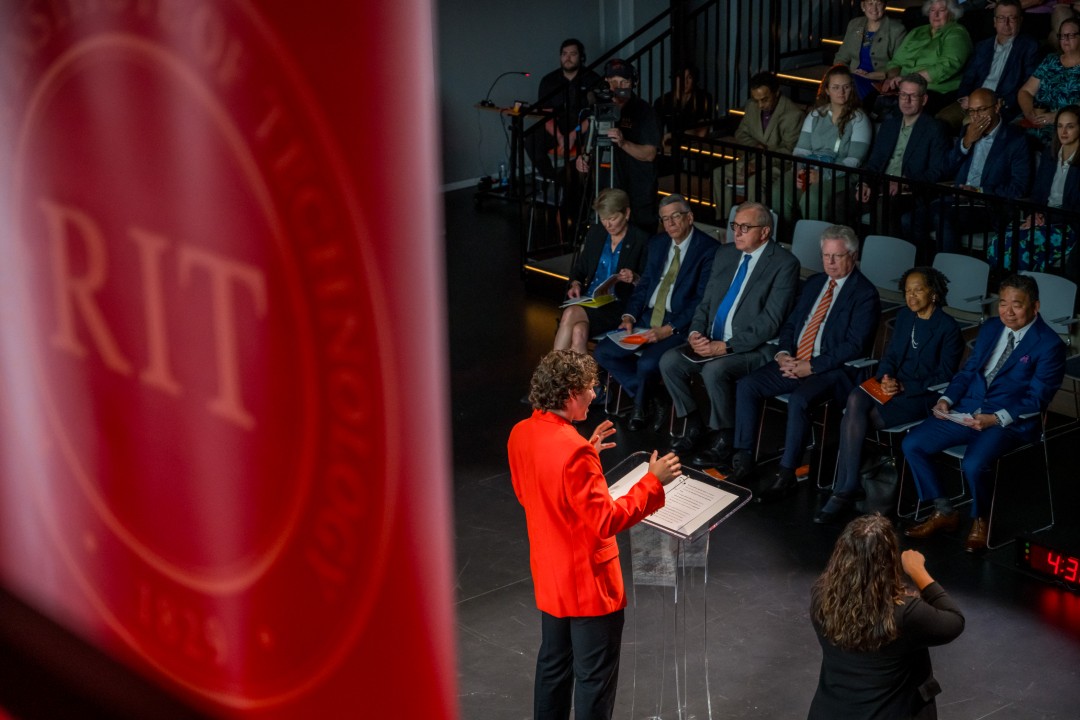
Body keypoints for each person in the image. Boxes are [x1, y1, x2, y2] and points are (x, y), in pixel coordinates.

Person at [508, 350, 681, 720]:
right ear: (570, 394)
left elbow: (533, 494)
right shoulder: (573, 452)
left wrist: (585, 453)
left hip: (551, 576)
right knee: (593, 681)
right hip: (589, 585)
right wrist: (652, 482)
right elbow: (605, 521)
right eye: (589, 389)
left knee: (553, 667)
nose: (594, 395)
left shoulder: (521, 433)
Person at [902, 274, 1066, 552]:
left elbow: (1037, 399)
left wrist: (996, 418)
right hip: (967, 409)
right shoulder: (991, 328)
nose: (1008, 312)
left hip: (1007, 422)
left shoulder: (1049, 344)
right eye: (1003, 303)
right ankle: (944, 511)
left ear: (1035, 307)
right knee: (913, 443)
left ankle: (980, 519)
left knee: (973, 463)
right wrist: (947, 399)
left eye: (1017, 305)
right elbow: (968, 371)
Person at [726, 225, 880, 502]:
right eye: (825, 256)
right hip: (795, 359)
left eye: (837, 256)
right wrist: (783, 353)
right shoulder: (814, 284)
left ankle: (787, 474)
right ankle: (745, 457)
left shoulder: (865, 293)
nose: (830, 262)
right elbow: (792, 324)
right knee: (748, 385)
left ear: (853, 256)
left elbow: (854, 346)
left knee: (799, 400)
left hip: (832, 370)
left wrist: (813, 366)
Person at [815, 268, 963, 525]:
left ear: (934, 293)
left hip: (919, 396)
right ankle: (849, 486)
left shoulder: (947, 327)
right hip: (890, 384)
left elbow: (945, 375)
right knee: (855, 400)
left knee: (858, 417)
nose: (911, 296)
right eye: (907, 291)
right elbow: (891, 356)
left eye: (918, 290)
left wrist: (904, 387)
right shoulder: (905, 317)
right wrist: (885, 378)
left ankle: (843, 489)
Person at [658, 202, 800, 469]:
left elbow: (770, 323)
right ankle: (693, 423)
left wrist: (727, 347)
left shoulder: (784, 263)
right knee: (669, 361)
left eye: (745, 227)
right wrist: (696, 333)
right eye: (735, 226)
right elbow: (705, 302)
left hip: (754, 348)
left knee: (714, 370)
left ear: (765, 232)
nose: (737, 232)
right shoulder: (724, 254)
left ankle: (724, 437)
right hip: (712, 339)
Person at [808, 515, 966, 720]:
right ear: (889, 559)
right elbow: (954, 621)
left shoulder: (822, 598)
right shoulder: (904, 614)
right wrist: (918, 572)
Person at [593, 195, 718, 431]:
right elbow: (645, 284)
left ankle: (640, 405)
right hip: (647, 318)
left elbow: (701, 301)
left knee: (649, 363)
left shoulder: (709, 249)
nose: (669, 223)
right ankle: (655, 397)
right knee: (604, 352)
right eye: (664, 219)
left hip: (677, 324)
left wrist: (668, 330)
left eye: (675, 217)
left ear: (690, 217)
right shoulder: (658, 243)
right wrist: (629, 316)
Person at [913, 87, 1032, 257]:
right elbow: (946, 167)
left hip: (988, 206)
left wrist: (979, 192)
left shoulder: (1016, 140)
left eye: (982, 110)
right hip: (957, 199)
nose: (976, 116)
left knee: (942, 217)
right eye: (972, 111)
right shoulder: (967, 131)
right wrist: (966, 142)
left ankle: (948, 276)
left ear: (997, 107)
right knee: (910, 218)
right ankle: (925, 271)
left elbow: (1019, 188)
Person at [554, 188, 650, 353]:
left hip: (617, 306)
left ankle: (549, 372)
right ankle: (582, 379)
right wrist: (576, 283)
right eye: (603, 219)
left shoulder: (641, 239)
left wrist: (634, 277)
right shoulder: (597, 232)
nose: (607, 225)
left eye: (612, 219)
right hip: (590, 299)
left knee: (570, 314)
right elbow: (580, 268)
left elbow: (648, 282)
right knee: (578, 333)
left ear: (626, 213)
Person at [857, 74, 951, 238]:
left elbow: (938, 171)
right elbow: (874, 161)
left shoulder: (935, 128)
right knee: (840, 200)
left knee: (883, 204)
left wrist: (905, 183)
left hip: (911, 191)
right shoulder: (889, 124)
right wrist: (864, 183)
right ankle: (848, 253)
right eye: (903, 95)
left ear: (924, 99)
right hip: (881, 184)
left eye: (913, 96)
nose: (906, 101)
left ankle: (886, 259)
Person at [989, 104, 1080, 273]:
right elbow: (1038, 194)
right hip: (1044, 218)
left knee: (1022, 247)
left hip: (1068, 225)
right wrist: (1034, 215)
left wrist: (1045, 218)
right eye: (1060, 126)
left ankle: (1027, 292)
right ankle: (1007, 291)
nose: (1064, 132)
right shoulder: (1050, 154)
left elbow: (1075, 208)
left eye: (1070, 126)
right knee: (1000, 240)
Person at [576, 58, 661, 235]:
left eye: (624, 82)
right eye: (613, 82)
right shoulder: (599, 109)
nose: (617, 86)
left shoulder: (644, 111)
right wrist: (582, 158)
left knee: (639, 242)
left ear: (633, 83)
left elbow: (650, 154)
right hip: (607, 188)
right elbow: (588, 147)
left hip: (637, 192)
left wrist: (623, 143)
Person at [711, 72, 805, 220]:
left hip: (778, 165)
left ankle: (754, 225)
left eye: (765, 99)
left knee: (754, 182)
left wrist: (758, 163)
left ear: (777, 92)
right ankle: (724, 222)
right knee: (718, 174)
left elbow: (788, 151)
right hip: (752, 159)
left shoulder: (793, 114)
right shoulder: (751, 105)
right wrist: (755, 145)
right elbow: (741, 133)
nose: (760, 105)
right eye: (757, 100)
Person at [936, 0, 1040, 131]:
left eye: (1012, 18)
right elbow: (968, 78)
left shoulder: (1029, 46)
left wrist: (999, 104)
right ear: (994, 21)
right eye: (1001, 18)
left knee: (970, 125)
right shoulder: (982, 46)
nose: (1006, 23)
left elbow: (1027, 84)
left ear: (1020, 20)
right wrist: (964, 98)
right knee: (939, 121)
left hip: (1000, 105)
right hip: (972, 101)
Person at [789, 65, 872, 223]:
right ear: (827, 90)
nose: (841, 92)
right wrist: (799, 172)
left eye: (846, 87)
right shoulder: (815, 115)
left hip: (841, 173)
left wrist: (823, 175)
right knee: (780, 193)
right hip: (811, 168)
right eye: (835, 87)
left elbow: (854, 160)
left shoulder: (859, 119)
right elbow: (801, 150)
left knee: (813, 198)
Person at [880, 0, 974, 118]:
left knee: (899, 111)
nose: (936, 15)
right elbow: (896, 62)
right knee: (871, 99)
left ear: (952, 13)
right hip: (903, 86)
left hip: (934, 91)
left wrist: (909, 79)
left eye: (942, 10)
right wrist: (892, 78)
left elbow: (945, 67)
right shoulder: (916, 32)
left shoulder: (957, 33)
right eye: (932, 10)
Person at [526, 39, 601, 181]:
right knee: (531, 140)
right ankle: (553, 178)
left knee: (595, 140)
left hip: (583, 127)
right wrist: (559, 136)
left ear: (581, 57)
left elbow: (595, 114)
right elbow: (546, 113)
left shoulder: (592, 79)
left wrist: (574, 134)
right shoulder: (549, 81)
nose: (568, 58)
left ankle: (582, 181)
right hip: (558, 126)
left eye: (573, 54)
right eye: (564, 54)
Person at [1017, 16, 1080, 147]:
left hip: (1065, 127)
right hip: (1037, 120)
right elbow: (1025, 91)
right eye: (1062, 36)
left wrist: (1057, 116)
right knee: (1007, 136)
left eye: (1071, 35)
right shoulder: (1051, 60)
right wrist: (1030, 113)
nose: (1065, 40)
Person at [833, 0, 908, 101]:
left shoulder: (896, 30)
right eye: (870, 3)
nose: (874, 8)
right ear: (863, 6)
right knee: (837, 83)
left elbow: (900, 64)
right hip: (852, 76)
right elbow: (841, 57)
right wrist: (845, 73)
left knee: (849, 87)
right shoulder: (855, 25)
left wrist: (880, 75)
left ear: (885, 6)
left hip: (878, 80)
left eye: (878, 3)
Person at [653, 61, 715, 175]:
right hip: (669, 148)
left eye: (689, 77)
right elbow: (656, 133)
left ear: (694, 80)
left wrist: (674, 135)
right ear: (675, 78)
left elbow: (701, 133)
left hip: (693, 146)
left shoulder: (703, 99)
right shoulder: (663, 101)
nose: (684, 82)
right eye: (681, 77)